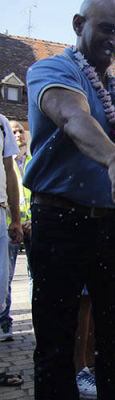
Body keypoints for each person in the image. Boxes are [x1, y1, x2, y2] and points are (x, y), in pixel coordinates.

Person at [25, 0, 115, 400]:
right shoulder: (51, 70)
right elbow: (73, 117)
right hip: (59, 221)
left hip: (111, 225)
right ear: (78, 25)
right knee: (58, 339)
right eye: (106, 29)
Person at [1, 118, 25, 342]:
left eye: (21, 131)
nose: (19, 134)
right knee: (4, 279)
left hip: (9, 214)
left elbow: (10, 172)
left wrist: (18, 219)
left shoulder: (1, 123)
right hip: (8, 218)